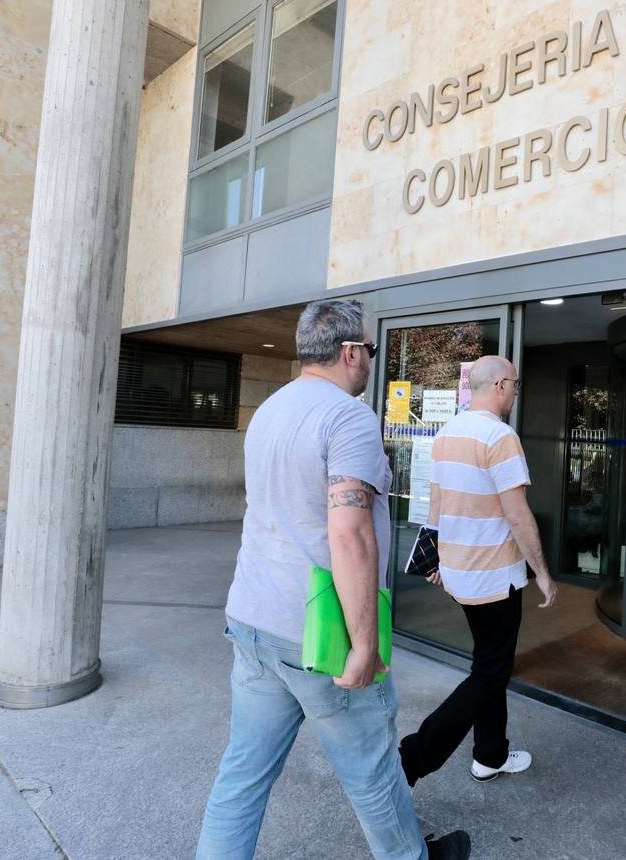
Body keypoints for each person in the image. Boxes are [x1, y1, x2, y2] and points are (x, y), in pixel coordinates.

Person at [196, 300, 470, 860]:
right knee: (372, 772)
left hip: (252, 621)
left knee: (242, 777)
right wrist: (365, 645)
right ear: (350, 353)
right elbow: (350, 535)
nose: (371, 359)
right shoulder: (348, 417)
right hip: (319, 634)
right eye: (370, 350)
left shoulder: (270, 410)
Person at [399, 356, 557, 787]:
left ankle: (491, 754)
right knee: (490, 672)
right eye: (516, 384)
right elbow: (518, 515)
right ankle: (413, 758)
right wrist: (540, 571)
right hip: (495, 579)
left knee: (489, 663)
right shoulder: (500, 437)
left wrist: (435, 559)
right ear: (501, 385)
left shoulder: (446, 434)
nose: (517, 391)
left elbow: (437, 505)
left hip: (460, 576)